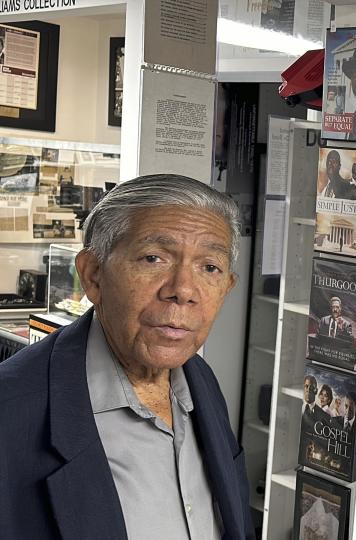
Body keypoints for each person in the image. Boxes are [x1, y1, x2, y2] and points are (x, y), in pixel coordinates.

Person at [0, 174, 255, 538]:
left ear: (227, 287)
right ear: (93, 275)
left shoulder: (200, 381)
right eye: (154, 258)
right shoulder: (10, 411)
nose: (183, 290)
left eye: (209, 267)